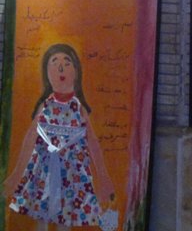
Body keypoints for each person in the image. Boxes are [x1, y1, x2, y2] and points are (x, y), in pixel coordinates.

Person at [2, 43, 115, 230]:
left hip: (72, 175)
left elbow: (93, 143)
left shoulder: (78, 108)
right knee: (42, 218)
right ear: (46, 73)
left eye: (67, 63)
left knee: (65, 218)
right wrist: (15, 175)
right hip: (44, 173)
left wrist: (104, 179)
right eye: (54, 63)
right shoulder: (45, 105)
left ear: (76, 72)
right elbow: (30, 139)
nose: (61, 68)